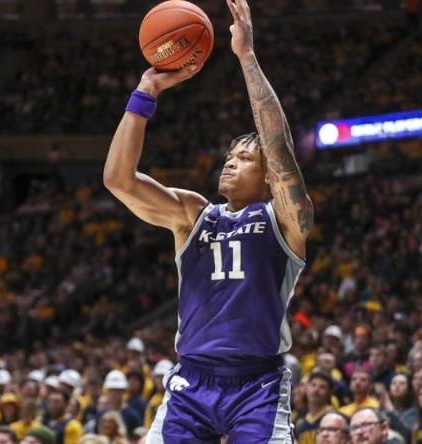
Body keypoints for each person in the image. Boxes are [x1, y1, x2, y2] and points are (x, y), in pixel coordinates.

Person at [103, 0, 313, 441]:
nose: (231, 164)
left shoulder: (285, 220)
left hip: (258, 384)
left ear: (269, 176)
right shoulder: (193, 214)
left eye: (245, 159)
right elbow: (119, 180)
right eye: (229, 157)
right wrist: (147, 92)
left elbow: (279, 147)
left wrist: (247, 58)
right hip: (191, 382)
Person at [296, 372, 336, 444]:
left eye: (322, 387)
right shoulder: (299, 422)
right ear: (307, 388)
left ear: (329, 392)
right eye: (313, 385)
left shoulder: (334, 418)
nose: (316, 389)